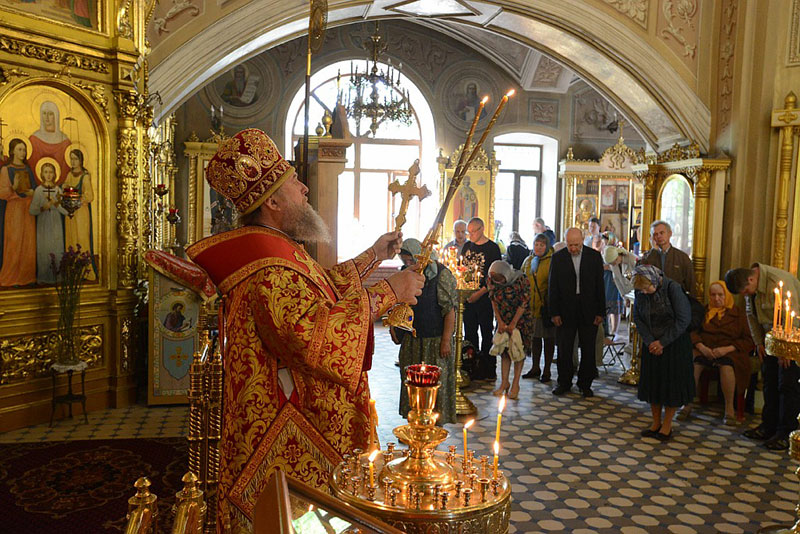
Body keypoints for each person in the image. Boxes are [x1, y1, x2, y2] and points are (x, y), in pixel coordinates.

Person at [186, 128, 424, 531]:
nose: (304, 189)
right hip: (287, 422)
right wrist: (389, 292)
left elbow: (319, 288)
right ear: (273, 202)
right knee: (300, 520)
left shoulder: (273, 247)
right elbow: (313, 334)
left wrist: (372, 257)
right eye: (294, 183)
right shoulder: (267, 262)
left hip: (291, 414)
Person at [725, 264, 800, 451]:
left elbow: (793, 315)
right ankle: (768, 427)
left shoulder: (778, 281)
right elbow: (751, 315)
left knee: (787, 386)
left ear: (751, 279)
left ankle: (786, 433)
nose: (746, 295)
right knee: (770, 383)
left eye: (746, 291)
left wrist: (786, 349)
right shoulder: (751, 286)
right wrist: (758, 342)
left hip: (791, 342)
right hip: (769, 341)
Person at [393, 238, 457, 425]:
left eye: (411, 260)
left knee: (435, 383)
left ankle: (434, 424)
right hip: (413, 340)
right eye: (404, 261)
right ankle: (414, 423)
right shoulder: (405, 274)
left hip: (436, 341)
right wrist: (395, 330)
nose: (408, 264)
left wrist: (446, 340)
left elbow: (449, 310)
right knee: (412, 382)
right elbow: (400, 305)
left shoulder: (441, 275)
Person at [677, 281, 754, 425]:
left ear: (727, 295)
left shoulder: (738, 314)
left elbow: (748, 339)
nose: (716, 298)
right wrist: (702, 347)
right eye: (713, 295)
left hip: (729, 352)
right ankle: (686, 404)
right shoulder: (704, 312)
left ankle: (729, 409)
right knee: (693, 364)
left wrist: (727, 349)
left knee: (727, 367)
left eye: (720, 295)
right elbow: (692, 332)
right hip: (705, 349)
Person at [632, 265, 694, 442]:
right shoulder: (640, 291)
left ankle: (667, 425)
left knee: (670, 386)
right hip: (651, 344)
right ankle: (655, 423)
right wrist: (650, 340)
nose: (643, 292)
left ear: (654, 281)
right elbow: (638, 317)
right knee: (654, 385)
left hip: (673, 344)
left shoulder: (672, 288)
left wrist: (663, 342)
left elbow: (683, 319)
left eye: (646, 288)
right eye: (641, 289)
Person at [549, 227, 605, 397]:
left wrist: (600, 312)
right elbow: (553, 287)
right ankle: (564, 382)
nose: (573, 248)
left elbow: (599, 286)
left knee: (588, 349)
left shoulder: (594, 257)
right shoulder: (558, 258)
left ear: (582, 240)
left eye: (576, 244)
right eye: (570, 245)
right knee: (565, 348)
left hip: (589, 309)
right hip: (565, 310)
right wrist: (554, 313)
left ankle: (585, 384)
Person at [461, 217, 503, 380]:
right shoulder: (466, 247)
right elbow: (461, 270)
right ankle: (471, 366)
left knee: (486, 332)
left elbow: (494, 277)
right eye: (468, 232)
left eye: (473, 231)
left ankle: (488, 368)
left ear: (482, 228)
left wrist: (478, 293)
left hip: (485, 298)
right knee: (470, 332)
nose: (470, 235)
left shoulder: (492, 248)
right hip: (467, 298)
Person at [488, 260, 531, 399]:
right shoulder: (492, 280)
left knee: (518, 350)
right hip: (503, 317)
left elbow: (524, 302)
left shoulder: (521, 279)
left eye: (500, 279)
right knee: (504, 351)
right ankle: (504, 383)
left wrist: (513, 323)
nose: (498, 282)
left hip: (521, 319)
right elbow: (493, 299)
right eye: (495, 279)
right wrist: (500, 321)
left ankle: (515, 384)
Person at [0, 138, 37, 287]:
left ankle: (26, 277)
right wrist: (14, 187)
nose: (23, 152)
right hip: (14, 209)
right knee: (14, 242)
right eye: (20, 149)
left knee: (28, 242)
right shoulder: (6, 169)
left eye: (24, 149)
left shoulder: (28, 169)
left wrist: (31, 192)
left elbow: (35, 189)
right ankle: (11, 277)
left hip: (27, 209)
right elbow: (2, 193)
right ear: (13, 150)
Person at [520, 233, 555, 382]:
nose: (539, 247)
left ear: (547, 246)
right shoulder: (528, 261)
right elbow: (521, 279)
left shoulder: (552, 261)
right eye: (536, 244)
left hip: (545, 308)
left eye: (542, 245)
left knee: (548, 340)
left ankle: (546, 370)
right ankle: (535, 367)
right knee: (534, 339)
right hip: (530, 308)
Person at [29, 161, 67, 284]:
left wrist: (55, 203)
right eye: (46, 172)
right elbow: (32, 210)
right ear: (42, 174)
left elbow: (65, 211)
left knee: (56, 248)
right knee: (43, 249)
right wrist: (43, 208)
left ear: (54, 174)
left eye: (51, 172)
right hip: (43, 224)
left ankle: (57, 277)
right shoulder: (39, 190)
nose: (48, 175)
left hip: (55, 223)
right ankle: (44, 278)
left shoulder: (58, 190)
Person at [63, 149, 97, 280]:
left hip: (81, 212)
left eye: (75, 159)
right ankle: (72, 270)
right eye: (71, 159)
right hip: (70, 213)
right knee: (71, 238)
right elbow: (65, 187)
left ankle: (86, 271)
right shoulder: (69, 174)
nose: (73, 161)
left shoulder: (85, 176)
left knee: (82, 239)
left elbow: (89, 196)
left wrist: (77, 198)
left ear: (81, 160)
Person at [640, 220, 695, 296]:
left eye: (662, 233)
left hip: (675, 300)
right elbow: (642, 278)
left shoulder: (682, 257)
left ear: (670, 234)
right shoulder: (647, 257)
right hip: (653, 300)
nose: (659, 236)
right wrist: (654, 251)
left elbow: (691, 284)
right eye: (655, 234)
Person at [28, 101, 71, 183]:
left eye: (50, 114)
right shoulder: (34, 139)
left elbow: (66, 169)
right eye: (44, 113)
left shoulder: (65, 142)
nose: (47, 117)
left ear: (56, 116)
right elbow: (30, 167)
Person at [598, 233, 624, 338]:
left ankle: (614, 331)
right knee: (605, 305)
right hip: (605, 280)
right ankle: (606, 330)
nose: (603, 243)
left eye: (605, 241)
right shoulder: (601, 251)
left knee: (615, 307)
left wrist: (609, 266)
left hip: (614, 281)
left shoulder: (616, 251)